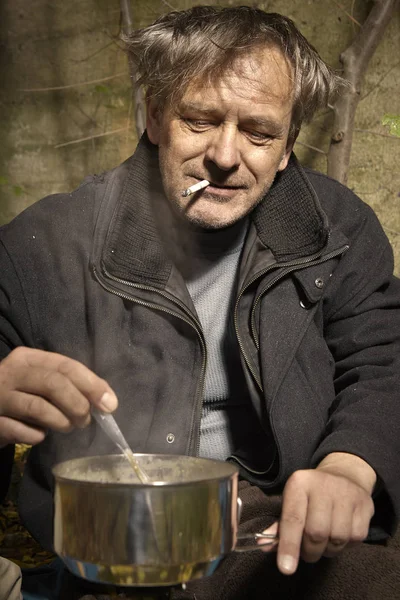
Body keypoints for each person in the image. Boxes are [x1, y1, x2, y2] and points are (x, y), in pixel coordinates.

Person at [0, 5, 399, 599]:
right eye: (200, 120)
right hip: (119, 541)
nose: (225, 156)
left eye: (259, 133)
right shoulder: (43, 243)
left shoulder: (338, 228)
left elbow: (383, 362)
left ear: (288, 146)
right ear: (156, 116)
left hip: (277, 527)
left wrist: (349, 466)